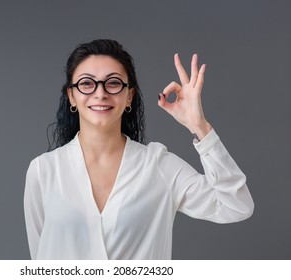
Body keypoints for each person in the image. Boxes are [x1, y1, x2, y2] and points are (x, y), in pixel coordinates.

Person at [23, 39, 254, 260]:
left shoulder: (158, 166)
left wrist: (200, 127)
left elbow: (236, 206)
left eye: (113, 82)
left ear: (129, 96)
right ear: (71, 96)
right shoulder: (43, 170)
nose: (100, 93)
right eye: (86, 83)